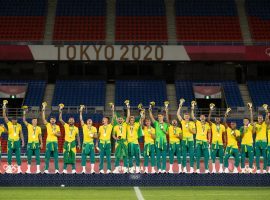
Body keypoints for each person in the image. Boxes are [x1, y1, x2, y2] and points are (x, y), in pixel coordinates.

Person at [2, 100, 24, 173]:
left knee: (18, 155)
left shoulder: (19, 125)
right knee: (9, 155)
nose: (15, 121)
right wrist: (4, 107)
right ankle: (9, 167)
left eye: (16, 120)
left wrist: (23, 141)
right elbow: (4, 116)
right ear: (12, 120)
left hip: (17, 142)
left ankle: (20, 169)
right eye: (14, 120)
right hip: (10, 141)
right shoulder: (9, 124)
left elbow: (21, 134)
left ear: (17, 120)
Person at [59, 105, 80, 174]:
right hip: (66, 143)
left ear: (74, 121)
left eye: (72, 120)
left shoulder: (76, 128)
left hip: (73, 143)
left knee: (73, 156)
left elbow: (78, 137)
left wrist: (79, 144)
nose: (71, 121)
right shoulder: (66, 126)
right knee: (65, 155)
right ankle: (64, 169)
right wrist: (60, 111)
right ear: (68, 121)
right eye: (70, 120)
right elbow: (60, 119)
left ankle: (74, 169)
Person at [191, 101, 211, 173]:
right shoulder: (197, 122)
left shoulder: (207, 124)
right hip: (198, 141)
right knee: (198, 156)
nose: (202, 117)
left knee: (206, 156)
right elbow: (192, 116)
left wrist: (209, 139)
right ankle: (197, 169)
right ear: (199, 118)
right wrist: (192, 109)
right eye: (201, 117)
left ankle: (207, 169)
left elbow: (209, 132)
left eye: (203, 117)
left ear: (205, 118)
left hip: (205, 141)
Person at [177, 99, 196, 173]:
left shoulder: (192, 123)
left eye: (188, 116)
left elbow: (194, 132)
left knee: (191, 155)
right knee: (184, 155)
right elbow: (178, 114)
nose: (187, 117)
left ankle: (191, 168)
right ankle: (184, 168)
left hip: (191, 141)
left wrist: (189, 129)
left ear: (189, 117)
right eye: (185, 116)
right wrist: (180, 106)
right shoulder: (182, 121)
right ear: (184, 117)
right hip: (184, 140)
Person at [149, 102, 169, 173]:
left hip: (164, 141)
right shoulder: (156, 123)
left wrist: (164, 130)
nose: (160, 117)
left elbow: (167, 133)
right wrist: (150, 109)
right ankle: (159, 169)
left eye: (161, 116)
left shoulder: (166, 124)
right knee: (158, 156)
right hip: (157, 141)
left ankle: (163, 169)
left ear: (163, 117)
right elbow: (151, 117)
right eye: (159, 116)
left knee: (164, 156)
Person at [42, 102, 61, 174]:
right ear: (50, 120)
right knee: (47, 157)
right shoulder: (48, 125)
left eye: (53, 119)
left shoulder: (57, 127)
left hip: (55, 142)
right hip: (49, 142)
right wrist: (43, 109)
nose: (52, 120)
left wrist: (56, 133)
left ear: (55, 120)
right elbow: (43, 119)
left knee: (56, 157)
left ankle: (57, 169)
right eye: (51, 119)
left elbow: (59, 135)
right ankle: (46, 169)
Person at [23, 108, 43, 174]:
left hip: (36, 143)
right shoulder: (29, 126)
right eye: (34, 121)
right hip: (30, 144)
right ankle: (28, 169)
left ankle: (38, 169)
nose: (35, 122)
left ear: (37, 122)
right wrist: (24, 113)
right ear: (32, 121)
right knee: (29, 157)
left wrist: (41, 143)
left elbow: (40, 136)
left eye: (36, 121)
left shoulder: (39, 128)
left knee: (37, 157)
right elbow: (24, 120)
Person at [208, 103, 226, 173]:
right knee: (213, 157)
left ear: (220, 119)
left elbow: (224, 135)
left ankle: (221, 169)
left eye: (218, 118)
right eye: (216, 118)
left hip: (221, 143)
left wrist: (225, 142)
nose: (218, 119)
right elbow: (208, 119)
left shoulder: (222, 126)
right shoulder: (212, 125)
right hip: (214, 143)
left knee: (221, 157)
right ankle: (213, 170)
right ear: (215, 119)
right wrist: (210, 110)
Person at [126, 102, 143, 173]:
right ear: (129, 120)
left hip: (136, 143)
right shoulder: (126, 125)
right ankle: (131, 167)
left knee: (137, 156)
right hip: (129, 143)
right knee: (130, 156)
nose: (132, 120)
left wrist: (141, 114)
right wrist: (128, 108)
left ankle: (138, 168)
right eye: (131, 119)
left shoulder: (136, 124)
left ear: (134, 120)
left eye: (133, 119)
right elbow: (127, 116)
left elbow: (141, 121)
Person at [80, 105, 97, 174]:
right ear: (87, 122)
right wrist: (81, 111)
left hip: (91, 144)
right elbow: (81, 119)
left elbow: (96, 137)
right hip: (84, 144)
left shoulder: (94, 128)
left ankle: (92, 170)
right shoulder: (84, 126)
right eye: (88, 121)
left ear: (92, 122)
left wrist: (92, 135)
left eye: (90, 121)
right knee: (83, 157)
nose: (89, 122)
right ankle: (83, 170)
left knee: (92, 157)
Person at [165, 105, 182, 173]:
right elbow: (167, 119)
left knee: (178, 156)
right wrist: (166, 111)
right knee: (171, 156)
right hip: (171, 143)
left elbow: (181, 137)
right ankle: (171, 169)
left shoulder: (179, 129)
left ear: (177, 123)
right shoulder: (169, 127)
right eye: (173, 121)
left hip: (177, 144)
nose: (174, 122)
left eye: (175, 121)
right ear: (171, 123)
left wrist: (177, 135)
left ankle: (180, 169)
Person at [98, 104, 114, 174]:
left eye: (104, 120)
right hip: (101, 143)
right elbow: (98, 136)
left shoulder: (110, 126)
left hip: (108, 143)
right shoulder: (100, 127)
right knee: (101, 157)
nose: (103, 120)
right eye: (102, 120)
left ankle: (109, 169)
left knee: (108, 158)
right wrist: (96, 144)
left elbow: (113, 118)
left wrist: (112, 110)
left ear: (107, 120)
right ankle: (101, 169)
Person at [253, 104, 269, 173]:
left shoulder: (265, 123)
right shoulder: (255, 124)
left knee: (265, 156)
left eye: (261, 118)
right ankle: (258, 169)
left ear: (263, 119)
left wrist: (266, 110)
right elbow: (253, 132)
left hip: (264, 142)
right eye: (258, 118)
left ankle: (265, 169)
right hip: (257, 142)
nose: (259, 119)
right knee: (257, 156)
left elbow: (267, 118)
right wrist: (254, 126)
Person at [223, 108, 240, 173]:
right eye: (231, 124)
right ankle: (227, 169)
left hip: (235, 147)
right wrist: (226, 113)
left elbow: (238, 140)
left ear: (236, 125)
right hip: (229, 147)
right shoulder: (228, 129)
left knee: (238, 159)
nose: (232, 125)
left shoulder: (238, 131)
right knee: (225, 158)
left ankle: (235, 169)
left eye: (234, 124)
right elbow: (224, 121)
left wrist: (235, 135)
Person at [239, 103, 254, 173]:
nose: (245, 122)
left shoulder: (251, 126)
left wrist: (250, 110)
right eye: (244, 121)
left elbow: (252, 119)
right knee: (242, 157)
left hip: (249, 144)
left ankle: (250, 169)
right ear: (243, 122)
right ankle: (242, 169)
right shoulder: (241, 128)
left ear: (248, 122)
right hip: (243, 144)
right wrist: (243, 131)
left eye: (246, 121)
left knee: (251, 157)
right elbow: (240, 136)